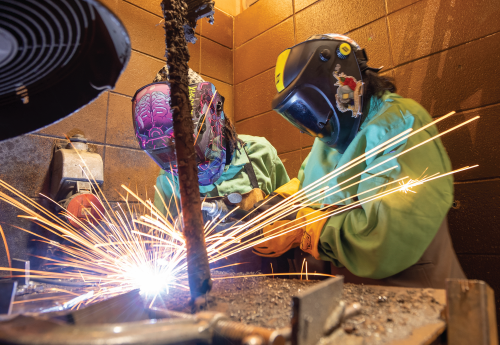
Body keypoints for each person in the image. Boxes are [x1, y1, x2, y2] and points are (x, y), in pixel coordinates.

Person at [252, 34, 465, 288]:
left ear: (339, 82)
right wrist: (276, 205)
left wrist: (303, 229)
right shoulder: (329, 141)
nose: (305, 124)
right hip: (350, 304)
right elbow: (310, 186)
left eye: (307, 107)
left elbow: (387, 238)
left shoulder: (400, 124)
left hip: (419, 302)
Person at [132, 67, 290, 270]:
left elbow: (291, 216)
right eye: (172, 156)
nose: (190, 166)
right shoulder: (168, 181)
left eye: (193, 150)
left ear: (215, 123)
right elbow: (162, 248)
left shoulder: (261, 152)